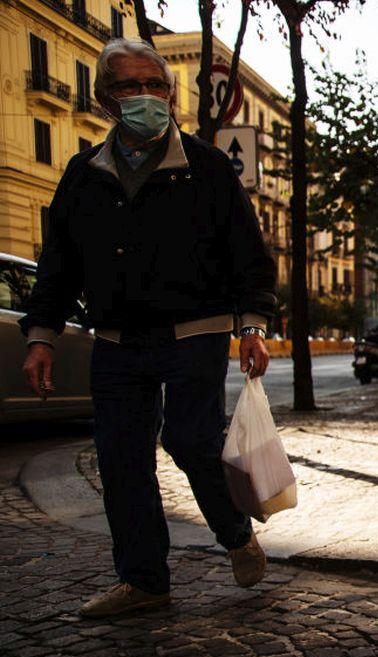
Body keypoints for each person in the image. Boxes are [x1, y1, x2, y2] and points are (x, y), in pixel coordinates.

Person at [18, 38, 275, 618]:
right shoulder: (84, 173)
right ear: (106, 98)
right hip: (116, 340)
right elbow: (58, 264)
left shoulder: (206, 166)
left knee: (190, 439)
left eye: (154, 85)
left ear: (170, 93)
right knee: (121, 458)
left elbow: (246, 254)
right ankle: (144, 581)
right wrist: (41, 335)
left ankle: (234, 533)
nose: (144, 97)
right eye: (129, 87)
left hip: (195, 332)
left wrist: (252, 325)